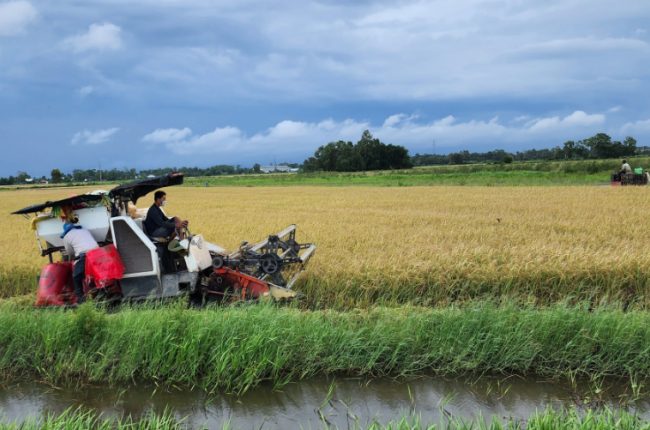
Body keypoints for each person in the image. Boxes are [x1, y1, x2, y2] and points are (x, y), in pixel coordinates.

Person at [61, 222, 99, 304]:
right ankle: (101, 296)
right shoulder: (84, 230)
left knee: (76, 277)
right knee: (98, 276)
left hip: (84, 256)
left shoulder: (66, 237)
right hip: (97, 254)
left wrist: (73, 259)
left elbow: (70, 252)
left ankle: (81, 300)